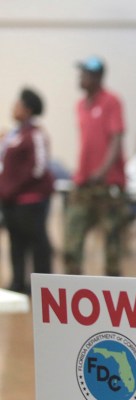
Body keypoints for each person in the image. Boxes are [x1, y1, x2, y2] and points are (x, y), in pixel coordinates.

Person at [64, 56, 128, 276]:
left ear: (97, 76)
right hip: (83, 182)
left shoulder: (111, 101)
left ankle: (114, 292)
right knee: (72, 239)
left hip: (107, 184)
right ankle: (72, 290)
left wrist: (103, 171)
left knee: (111, 243)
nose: (80, 78)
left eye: (85, 74)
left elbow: (116, 137)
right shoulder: (80, 105)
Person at [0, 88, 54, 294]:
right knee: (16, 243)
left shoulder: (35, 134)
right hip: (11, 201)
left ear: (28, 109)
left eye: (18, 104)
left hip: (30, 200)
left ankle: (42, 287)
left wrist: (13, 187)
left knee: (37, 243)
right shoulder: (14, 134)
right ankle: (18, 283)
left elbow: (38, 168)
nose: (13, 107)